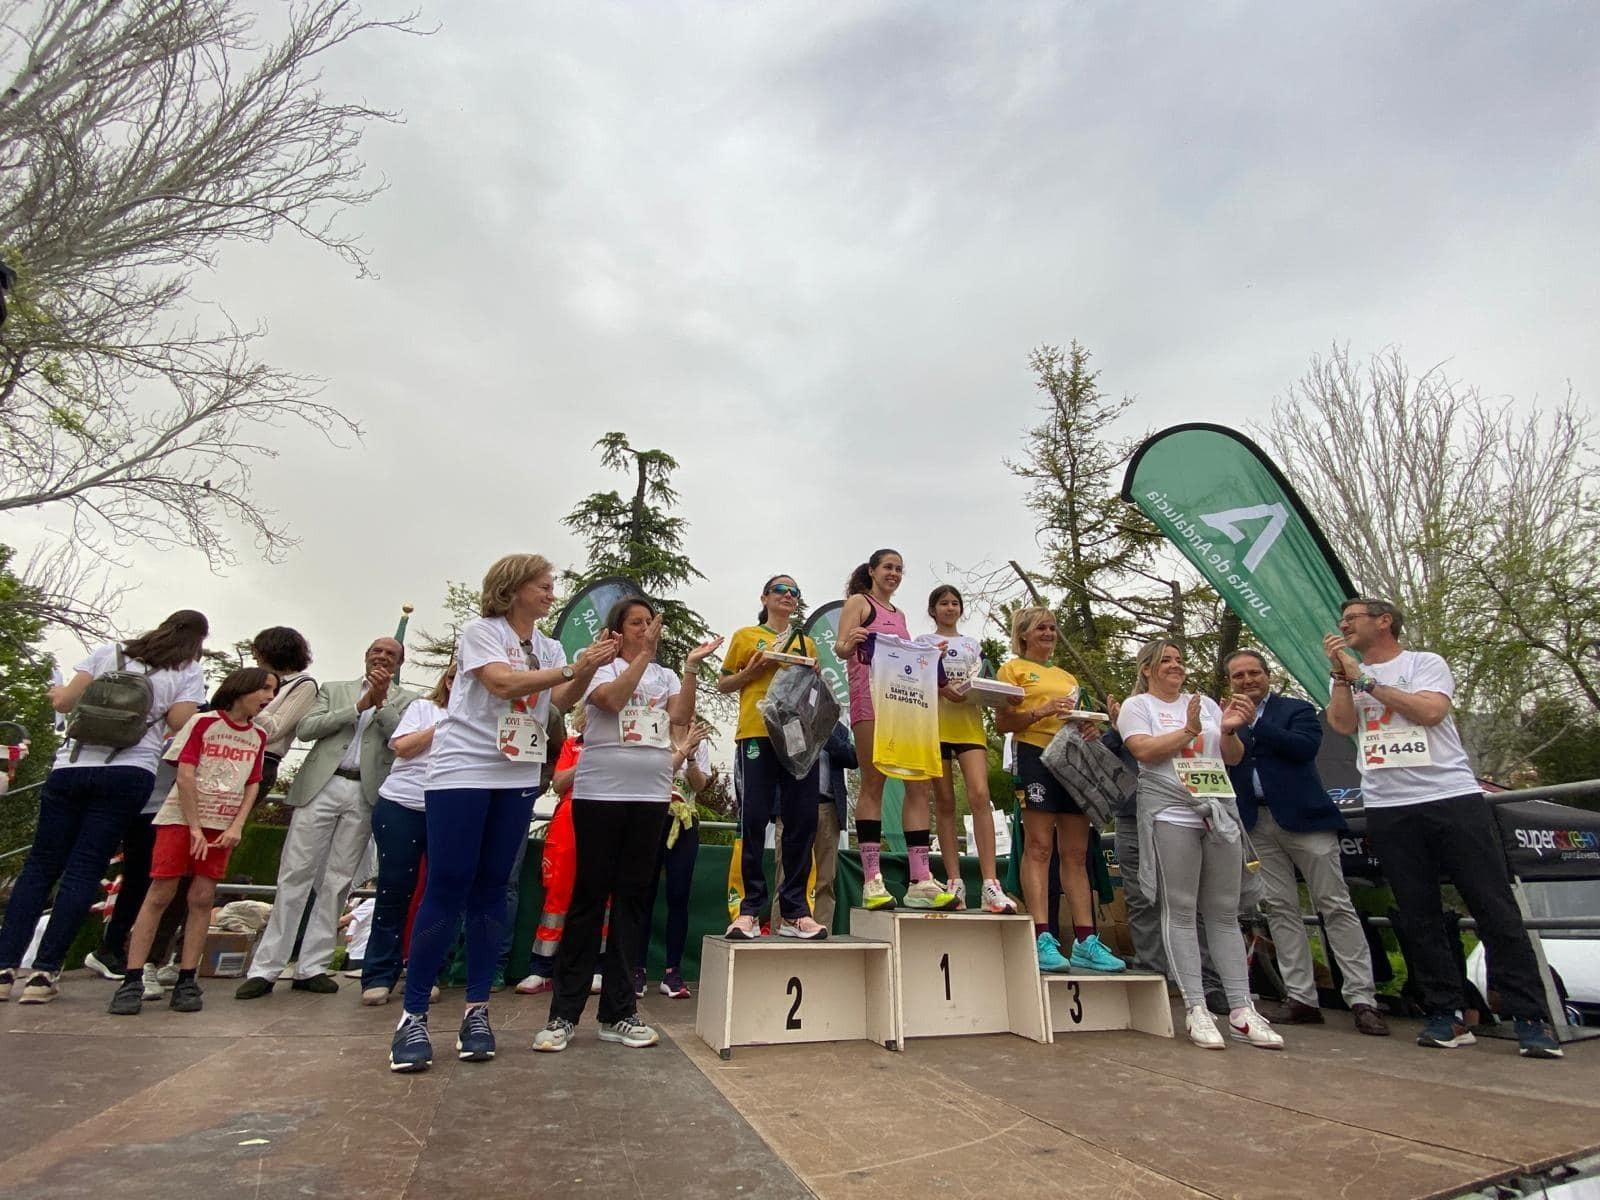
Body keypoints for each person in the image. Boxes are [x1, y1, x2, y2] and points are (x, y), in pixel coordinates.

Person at [389, 554, 615, 1072]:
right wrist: (572, 667)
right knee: (448, 883)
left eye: (552, 585)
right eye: (543, 585)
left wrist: (588, 669)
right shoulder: (480, 631)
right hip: (463, 768)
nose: (551, 593)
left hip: (516, 773)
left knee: (493, 887)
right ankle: (414, 1014)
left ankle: (476, 1011)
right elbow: (502, 683)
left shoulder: (551, 644)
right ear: (512, 589)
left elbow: (559, 698)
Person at [1324, 597, 1561, 1058]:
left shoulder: (1423, 663)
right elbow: (1341, 724)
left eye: (1352, 619)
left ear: (1384, 621)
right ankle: (1445, 1013)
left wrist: (1365, 679)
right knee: (1417, 911)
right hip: (1389, 804)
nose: (1344, 626)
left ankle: (1530, 1017)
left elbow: (1430, 713)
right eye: (1342, 622)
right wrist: (1339, 675)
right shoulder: (1349, 677)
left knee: (1492, 904)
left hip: (1450, 798)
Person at [533, 599, 720, 1053]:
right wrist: (640, 658)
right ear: (617, 631)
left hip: (651, 795)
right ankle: (563, 1014)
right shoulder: (600, 665)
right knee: (589, 898)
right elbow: (611, 701)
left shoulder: (667, 676)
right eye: (636, 623)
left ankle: (618, 1012)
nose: (646, 629)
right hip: (601, 793)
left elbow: (678, 719)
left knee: (635, 900)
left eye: (649, 622)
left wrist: (690, 668)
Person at [0, 610, 208, 1005]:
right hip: (130, 771)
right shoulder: (186, 670)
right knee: (84, 869)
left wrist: (55, 695)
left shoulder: (110, 654)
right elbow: (181, 720)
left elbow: (64, 702)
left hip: (72, 766)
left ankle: (4, 966)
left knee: (40, 866)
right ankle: (44, 973)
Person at [1117, 639, 1282, 1051]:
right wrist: (1187, 730)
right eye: (1164, 661)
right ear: (1147, 670)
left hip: (1217, 809)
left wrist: (1227, 730)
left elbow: (1232, 757)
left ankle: (1243, 1010)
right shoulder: (1138, 707)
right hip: (1171, 813)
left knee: (1224, 913)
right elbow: (1143, 750)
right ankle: (1196, 1007)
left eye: (1178, 659)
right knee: (1181, 909)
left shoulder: (1205, 702)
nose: (1174, 666)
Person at [1224, 649, 1389, 1037]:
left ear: (1267, 675)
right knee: (1280, 907)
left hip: (1305, 819)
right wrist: (1230, 727)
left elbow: (1303, 748)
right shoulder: (1227, 717)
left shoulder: (1295, 709)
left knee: (1334, 904)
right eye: (1238, 676)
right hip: (1257, 822)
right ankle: (1301, 997)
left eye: (1253, 673)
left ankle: (1362, 998)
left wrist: (1256, 725)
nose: (1247, 681)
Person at [237, 636, 412, 1000]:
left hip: (365, 791)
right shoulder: (335, 689)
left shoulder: (408, 700)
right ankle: (266, 967)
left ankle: (312, 966)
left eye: (390, 654)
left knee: (338, 879)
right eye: (376, 651)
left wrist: (380, 706)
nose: (382, 657)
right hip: (323, 784)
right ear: (366, 656)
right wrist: (358, 706)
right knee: (295, 873)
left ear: (398, 663)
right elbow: (306, 729)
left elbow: (401, 738)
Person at [108, 668, 276, 1015]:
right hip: (182, 820)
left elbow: (252, 784)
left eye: (272, 692)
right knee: (160, 893)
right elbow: (185, 773)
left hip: (222, 824)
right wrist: (195, 827)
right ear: (242, 689)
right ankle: (133, 975)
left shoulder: (258, 736)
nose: (269, 698)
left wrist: (237, 825)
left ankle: (187, 975)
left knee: (201, 897)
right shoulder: (203, 723)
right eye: (264, 689)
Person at [994, 608, 1125, 974]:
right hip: (1034, 755)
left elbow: (1076, 718)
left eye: (1053, 628)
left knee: (1076, 851)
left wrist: (1089, 730)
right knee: (1038, 846)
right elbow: (1003, 722)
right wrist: (1042, 710)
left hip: (1073, 756)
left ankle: (1086, 940)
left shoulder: (1067, 676)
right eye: (1041, 628)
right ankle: (1041, 935)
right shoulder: (1013, 669)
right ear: (1023, 634)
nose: (1049, 633)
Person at [834, 550, 955, 911]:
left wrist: (929, 653)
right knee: (874, 782)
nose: (894, 574)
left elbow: (906, 658)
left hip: (905, 706)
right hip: (870, 702)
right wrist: (851, 639)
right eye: (888, 567)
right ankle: (872, 879)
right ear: (872, 571)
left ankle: (920, 879)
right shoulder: (858, 602)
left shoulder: (900, 616)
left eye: (900, 569)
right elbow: (841, 648)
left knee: (918, 784)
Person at [718, 575, 831, 939]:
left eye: (794, 592)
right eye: (780, 589)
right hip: (755, 732)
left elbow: (812, 694)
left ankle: (794, 911)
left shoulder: (807, 643)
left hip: (796, 737)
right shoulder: (745, 636)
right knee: (753, 817)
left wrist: (813, 675)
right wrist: (752, 671)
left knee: (801, 819)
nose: (787, 595)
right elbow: (724, 683)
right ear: (764, 597)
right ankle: (749, 910)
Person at [360, 662, 455, 1005]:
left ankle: (425, 970)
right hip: (402, 803)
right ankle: (378, 973)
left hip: (449, 809)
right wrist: (446, 724)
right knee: (394, 888)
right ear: (447, 680)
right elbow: (402, 747)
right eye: (457, 678)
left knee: (440, 894)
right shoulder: (423, 708)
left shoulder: (486, 719)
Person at [926, 585, 1014, 914]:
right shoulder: (925, 642)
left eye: (955, 603)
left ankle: (991, 883)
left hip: (970, 725)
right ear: (933, 610)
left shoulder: (972, 645)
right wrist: (942, 686)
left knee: (980, 795)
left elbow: (985, 681)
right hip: (935, 725)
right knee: (945, 802)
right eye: (943, 603)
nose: (950, 608)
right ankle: (954, 881)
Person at [640, 721, 712, 999]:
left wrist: (692, 755)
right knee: (643, 894)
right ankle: (637, 968)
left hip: (685, 822)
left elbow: (700, 784)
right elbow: (658, 772)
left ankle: (673, 971)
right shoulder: (654, 731)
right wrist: (681, 750)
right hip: (653, 817)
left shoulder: (699, 741)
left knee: (679, 895)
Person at [517, 708, 586, 995]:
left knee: (603, 894)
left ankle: (595, 966)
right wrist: (587, 761)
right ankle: (542, 967)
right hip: (569, 817)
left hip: (607, 814)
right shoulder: (573, 744)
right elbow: (558, 784)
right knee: (557, 894)